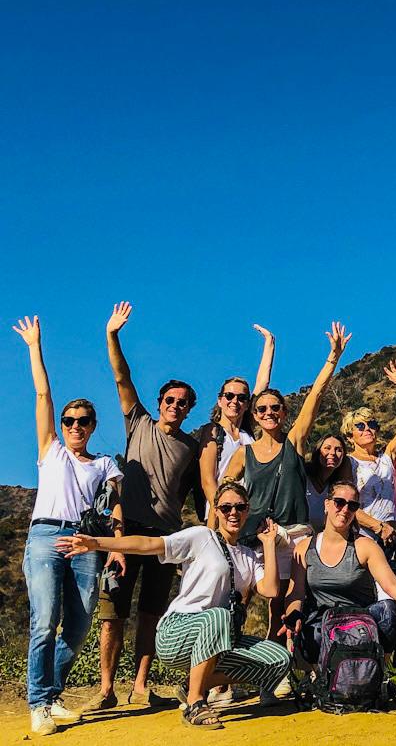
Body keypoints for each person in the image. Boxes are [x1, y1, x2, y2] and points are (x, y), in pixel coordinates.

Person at [56, 483, 292, 730]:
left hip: (220, 638)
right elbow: (149, 545)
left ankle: (196, 684)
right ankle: (195, 703)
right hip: (177, 633)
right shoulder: (202, 537)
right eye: (225, 507)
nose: (233, 513)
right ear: (217, 511)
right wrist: (97, 543)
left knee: (278, 659)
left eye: (240, 507)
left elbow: (271, 590)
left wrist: (267, 544)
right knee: (219, 616)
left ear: (247, 511)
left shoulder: (248, 555)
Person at [87, 301, 201, 712]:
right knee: (112, 612)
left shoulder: (193, 447)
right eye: (169, 399)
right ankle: (105, 689)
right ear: (159, 402)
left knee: (151, 613)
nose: (175, 405)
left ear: (190, 409)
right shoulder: (138, 422)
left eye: (183, 402)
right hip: (124, 529)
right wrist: (113, 335)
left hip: (165, 538)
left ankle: (139, 686)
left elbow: (204, 488)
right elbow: (122, 376)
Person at [13, 316, 125, 735]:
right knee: (44, 619)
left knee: (78, 627)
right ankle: (38, 703)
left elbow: (116, 504)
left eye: (83, 421)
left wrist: (115, 546)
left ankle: (52, 693)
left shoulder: (104, 464)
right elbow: (43, 393)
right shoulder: (51, 450)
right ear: (61, 426)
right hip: (44, 535)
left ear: (93, 426)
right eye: (69, 421)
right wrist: (33, 345)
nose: (75, 426)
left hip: (85, 541)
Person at [224, 321, 351, 648]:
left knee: (279, 606)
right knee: (235, 605)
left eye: (275, 408)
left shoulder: (294, 442)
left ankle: (277, 674)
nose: (268, 412)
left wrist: (332, 358)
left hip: (292, 536)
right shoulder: (244, 453)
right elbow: (224, 493)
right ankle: (229, 673)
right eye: (262, 408)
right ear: (255, 413)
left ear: (284, 412)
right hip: (253, 537)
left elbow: (316, 397)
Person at [282, 481, 396, 666]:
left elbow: (392, 585)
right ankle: (323, 676)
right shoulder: (304, 548)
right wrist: (293, 614)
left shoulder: (366, 546)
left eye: (352, 506)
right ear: (326, 504)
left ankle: (378, 671)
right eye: (339, 502)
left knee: (390, 612)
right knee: (306, 633)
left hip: (361, 625)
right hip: (324, 625)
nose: (345, 509)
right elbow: (295, 593)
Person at [197, 324, 275, 528]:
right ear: (220, 400)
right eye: (229, 396)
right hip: (221, 515)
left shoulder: (247, 433)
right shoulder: (212, 432)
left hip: (244, 514)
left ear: (248, 403)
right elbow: (208, 480)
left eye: (241, 397)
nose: (235, 401)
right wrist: (215, 518)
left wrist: (270, 343)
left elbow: (262, 385)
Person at [341, 362, 396, 546]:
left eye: (372, 425)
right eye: (360, 426)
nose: (367, 429)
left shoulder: (387, 456)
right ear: (349, 436)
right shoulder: (348, 463)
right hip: (362, 534)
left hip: (391, 534)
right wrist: (378, 527)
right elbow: (346, 503)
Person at [305, 434, 353, 532]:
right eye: (327, 448)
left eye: (338, 450)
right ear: (317, 452)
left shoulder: (335, 490)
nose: (333, 453)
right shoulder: (303, 478)